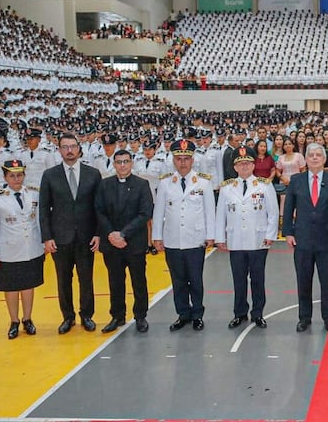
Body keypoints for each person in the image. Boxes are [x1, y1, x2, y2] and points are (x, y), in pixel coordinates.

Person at [39, 133, 102, 334]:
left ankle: (86, 315)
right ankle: (68, 317)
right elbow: (44, 209)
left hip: (86, 237)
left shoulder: (93, 174)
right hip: (60, 238)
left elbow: (99, 208)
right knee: (63, 280)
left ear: (79, 148)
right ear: (59, 150)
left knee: (86, 279)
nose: (69, 150)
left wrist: (98, 233)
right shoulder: (49, 175)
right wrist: (47, 238)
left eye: (72, 146)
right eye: (65, 147)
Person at [152, 139, 216, 332]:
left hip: (195, 239)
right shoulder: (165, 183)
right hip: (172, 240)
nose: (182, 162)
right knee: (178, 280)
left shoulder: (204, 182)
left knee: (195, 280)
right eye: (178, 158)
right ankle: (183, 314)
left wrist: (210, 236)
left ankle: (197, 314)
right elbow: (159, 212)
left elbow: (209, 212)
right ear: (173, 159)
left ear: (192, 159)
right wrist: (157, 236)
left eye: (186, 158)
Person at [283, 143, 328, 332]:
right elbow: (288, 209)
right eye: (311, 155)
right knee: (303, 280)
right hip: (302, 239)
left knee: (327, 281)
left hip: (327, 240)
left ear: (324, 159)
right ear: (306, 159)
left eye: (319, 155)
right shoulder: (296, 180)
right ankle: (304, 317)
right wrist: (288, 232)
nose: (315, 158)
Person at [216, 146, 279, 330]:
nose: (244, 167)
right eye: (240, 164)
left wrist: (270, 235)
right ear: (235, 167)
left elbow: (273, 213)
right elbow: (221, 215)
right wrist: (221, 237)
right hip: (235, 240)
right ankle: (240, 313)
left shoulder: (264, 185)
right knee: (239, 279)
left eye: (247, 163)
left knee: (258, 279)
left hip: (258, 239)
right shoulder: (227, 188)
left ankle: (258, 313)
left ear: (253, 165)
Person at [94, 149, 154, 333]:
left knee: (139, 281)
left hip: (134, 242)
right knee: (115, 281)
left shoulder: (142, 184)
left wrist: (124, 234)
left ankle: (140, 316)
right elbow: (99, 211)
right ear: (114, 164)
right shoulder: (104, 185)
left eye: (126, 161)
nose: (122, 165)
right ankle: (117, 316)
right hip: (111, 243)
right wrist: (112, 234)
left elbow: (145, 213)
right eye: (119, 162)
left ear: (132, 163)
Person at [0, 160, 44, 339]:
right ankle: (14, 320)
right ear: (5, 177)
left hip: (31, 248)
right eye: (12, 176)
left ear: (24, 175)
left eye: (19, 175)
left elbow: (38, 221)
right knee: (11, 288)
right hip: (8, 251)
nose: (16, 179)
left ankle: (27, 319)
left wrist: (43, 243)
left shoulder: (33, 194)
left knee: (28, 286)